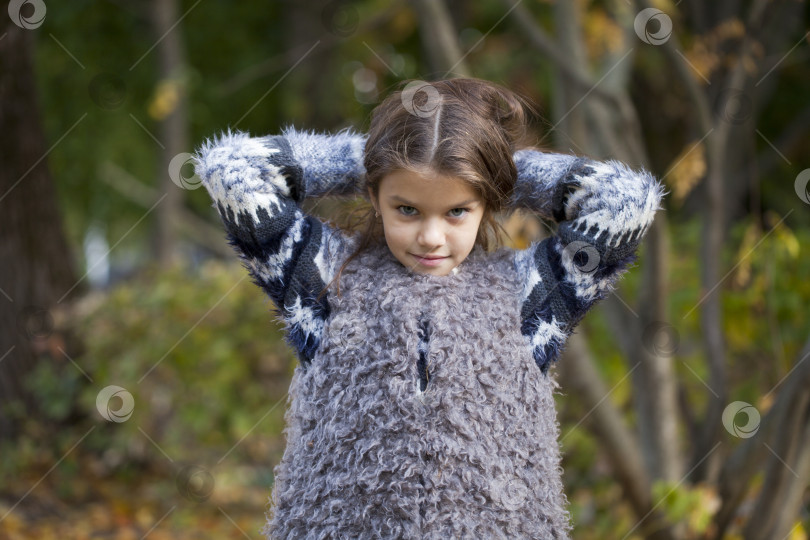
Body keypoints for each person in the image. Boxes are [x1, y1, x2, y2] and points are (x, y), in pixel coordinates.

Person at [193, 77, 665, 539]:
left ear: (487, 204)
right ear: (375, 196)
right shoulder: (322, 278)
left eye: (457, 210)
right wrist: (369, 159)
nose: (431, 237)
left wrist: (499, 167)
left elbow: (626, 201)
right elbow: (232, 170)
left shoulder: (531, 294)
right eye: (407, 209)